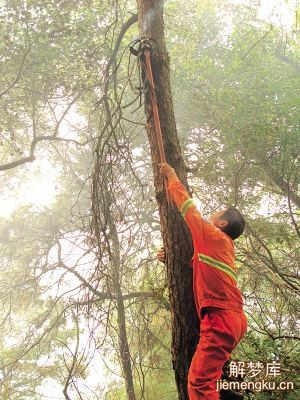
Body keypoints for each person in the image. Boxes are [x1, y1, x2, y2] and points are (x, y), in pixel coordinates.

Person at [158, 162, 247, 400]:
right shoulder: (221, 246)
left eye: (218, 213)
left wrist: (173, 179)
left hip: (221, 320)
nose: (212, 214)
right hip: (232, 319)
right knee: (210, 379)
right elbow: (201, 269)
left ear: (222, 224)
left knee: (198, 385)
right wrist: (172, 260)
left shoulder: (214, 235)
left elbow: (189, 209)